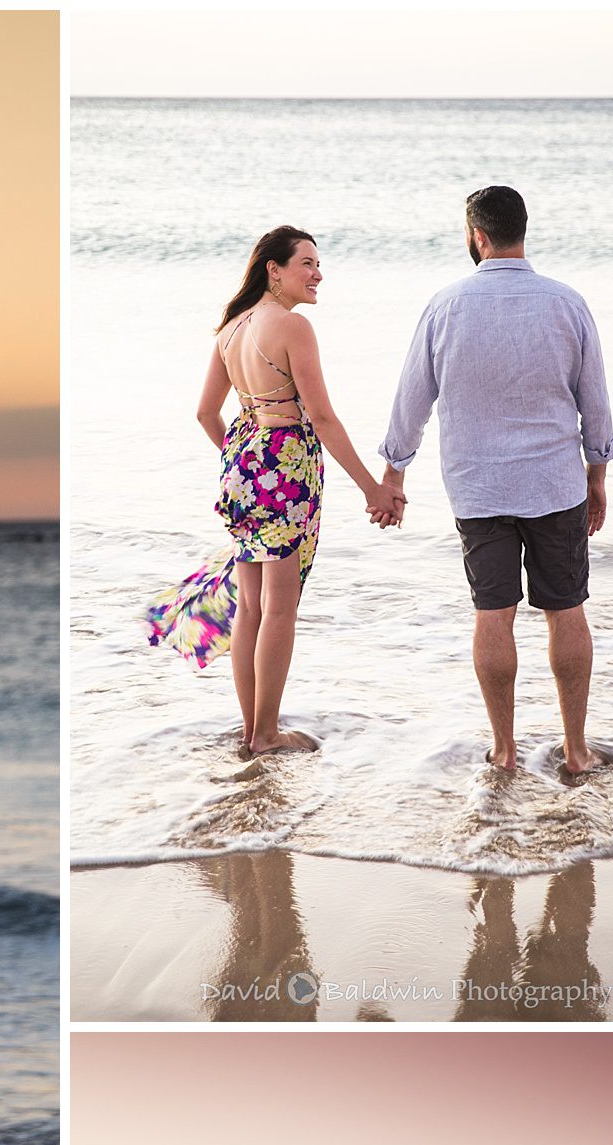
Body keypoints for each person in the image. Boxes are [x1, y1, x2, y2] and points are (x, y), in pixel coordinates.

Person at [379, 186, 613, 778]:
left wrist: (394, 473)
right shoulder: (567, 303)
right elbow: (597, 403)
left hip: (479, 488)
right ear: (521, 232)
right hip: (554, 484)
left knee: (494, 612)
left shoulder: (445, 306)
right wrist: (597, 474)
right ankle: (577, 750)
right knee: (567, 610)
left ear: (476, 236)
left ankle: (505, 752)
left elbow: (412, 399)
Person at [147, 225, 405, 753]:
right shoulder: (291, 326)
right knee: (279, 609)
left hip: (242, 465)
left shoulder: (230, 329)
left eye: (318, 264)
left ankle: (252, 729)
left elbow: (204, 413)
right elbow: (322, 417)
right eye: (306, 263)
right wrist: (372, 489)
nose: (317, 274)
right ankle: (266, 735)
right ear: (275, 269)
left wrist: (242, 462)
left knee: (252, 606)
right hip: (285, 472)